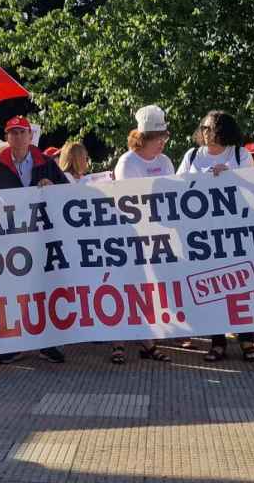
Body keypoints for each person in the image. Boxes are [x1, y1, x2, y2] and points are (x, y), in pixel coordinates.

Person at [0, 116, 69, 365]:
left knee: (44, 290)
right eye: (13, 133)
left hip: (43, 238)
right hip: (10, 240)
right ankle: (13, 344)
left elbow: (66, 192)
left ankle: (48, 343)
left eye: (22, 132)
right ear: (7, 137)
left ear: (31, 136)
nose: (18, 137)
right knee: (13, 292)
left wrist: (51, 186)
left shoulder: (47, 164)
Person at [177, 111, 254, 362]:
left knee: (240, 287)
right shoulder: (192, 156)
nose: (204, 131)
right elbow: (176, 186)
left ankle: (246, 339)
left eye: (210, 127)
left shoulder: (240, 155)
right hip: (202, 235)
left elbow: (253, 187)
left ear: (223, 130)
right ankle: (217, 342)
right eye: (202, 127)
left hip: (234, 232)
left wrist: (230, 175)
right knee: (210, 288)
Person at [109, 105, 175, 364]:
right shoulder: (128, 162)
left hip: (158, 237)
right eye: (159, 139)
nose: (163, 143)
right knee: (126, 287)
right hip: (130, 235)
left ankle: (148, 342)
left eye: (164, 138)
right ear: (145, 139)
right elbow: (131, 200)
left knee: (149, 290)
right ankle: (118, 342)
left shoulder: (166, 162)